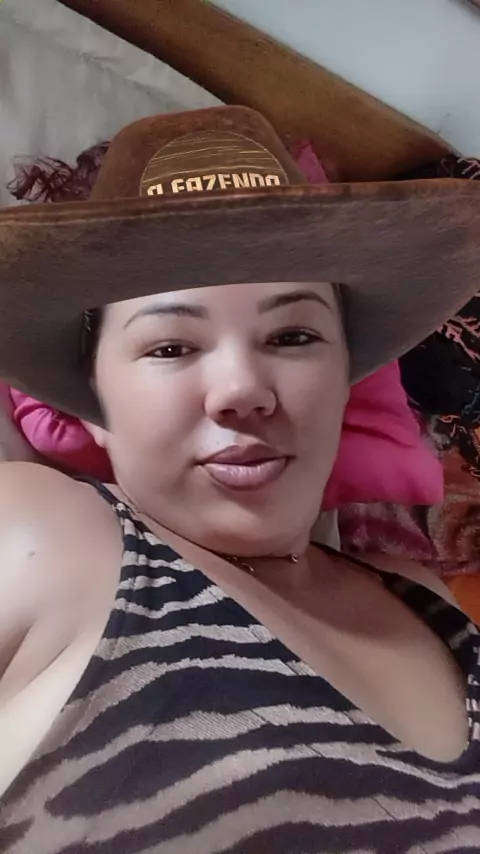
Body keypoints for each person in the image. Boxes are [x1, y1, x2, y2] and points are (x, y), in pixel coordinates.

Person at [0, 106, 479, 854]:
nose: (242, 390)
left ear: (344, 378)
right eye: (169, 346)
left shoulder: (429, 600)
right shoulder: (40, 533)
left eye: (293, 335)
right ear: (91, 406)